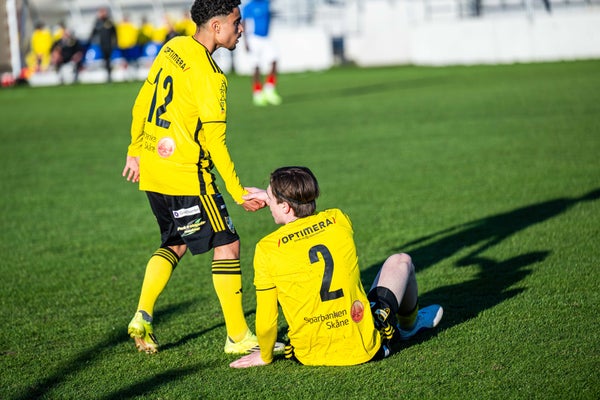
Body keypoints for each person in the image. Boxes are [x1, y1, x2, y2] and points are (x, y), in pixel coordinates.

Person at [122, 0, 280, 357]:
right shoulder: (211, 76)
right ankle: (237, 336)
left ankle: (142, 315)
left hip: (154, 169)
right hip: (187, 175)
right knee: (228, 243)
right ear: (217, 26)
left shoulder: (173, 47)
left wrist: (135, 149)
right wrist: (238, 192)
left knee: (174, 242)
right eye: (237, 23)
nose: (242, 29)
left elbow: (142, 101)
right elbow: (216, 143)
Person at [230, 166, 443, 368]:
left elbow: (267, 321)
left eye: (270, 198)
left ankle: (406, 327)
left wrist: (265, 356)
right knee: (401, 260)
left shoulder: (266, 248)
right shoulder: (337, 219)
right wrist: (276, 196)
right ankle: (408, 327)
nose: (268, 202)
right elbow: (302, 213)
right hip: (363, 348)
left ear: (285, 206)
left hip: (308, 354)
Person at [242, 0, 281, 106]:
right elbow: (244, 23)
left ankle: (269, 90)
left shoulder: (266, 2)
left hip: (266, 38)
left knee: (274, 61)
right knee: (256, 66)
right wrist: (245, 41)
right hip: (253, 39)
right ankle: (257, 93)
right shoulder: (249, 6)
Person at [88, 7, 117, 82]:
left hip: (109, 44)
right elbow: (93, 32)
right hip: (101, 44)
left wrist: (115, 43)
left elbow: (114, 33)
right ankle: (107, 74)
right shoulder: (98, 22)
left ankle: (109, 75)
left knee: (109, 60)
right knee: (105, 60)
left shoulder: (109, 22)